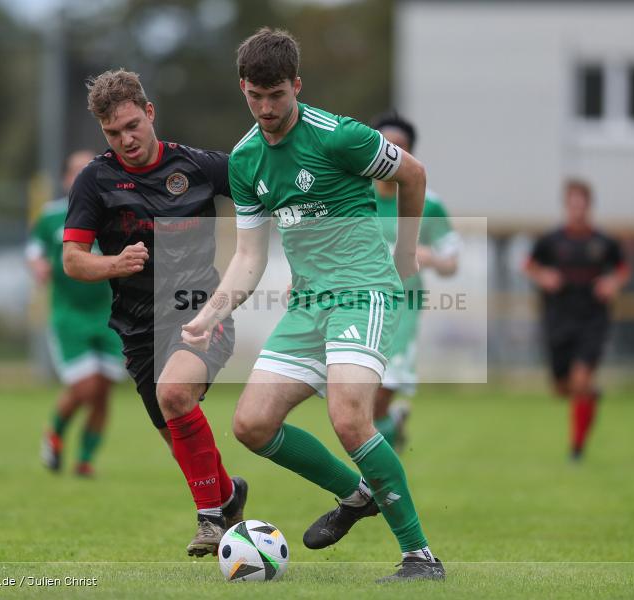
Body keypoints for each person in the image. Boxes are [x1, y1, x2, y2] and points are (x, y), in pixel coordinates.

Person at [182, 28, 445, 582]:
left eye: (276, 95)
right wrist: (211, 313)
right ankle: (357, 495)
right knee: (251, 425)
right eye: (255, 96)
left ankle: (420, 557)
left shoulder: (338, 136)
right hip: (307, 304)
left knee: (349, 417)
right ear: (243, 89)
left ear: (296, 85)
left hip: (363, 291)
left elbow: (413, 174)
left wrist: (403, 250)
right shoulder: (246, 160)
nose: (266, 108)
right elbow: (250, 258)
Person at [61, 69, 247, 557]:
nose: (125, 140)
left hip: (199, 311)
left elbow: (263, 184)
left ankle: (210, 521)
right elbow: (72, 259)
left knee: (175, 392)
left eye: (131, 126)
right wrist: (113, 264)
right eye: (112, 133)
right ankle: (228, 497)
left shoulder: (201, 166)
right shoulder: (94, 180)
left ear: (149, 113)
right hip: (138, 328)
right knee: (178, 438)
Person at [29, 150, 126, 477]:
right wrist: (39, 266)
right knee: (86, 388)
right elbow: (34, 252)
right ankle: (54, 432)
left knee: (103, 391)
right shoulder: (51, 216)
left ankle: (85, 460)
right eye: (75, 171)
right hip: (69, 315)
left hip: (110, 314)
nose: (82, 176)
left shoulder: (113, 212)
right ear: (65, 178)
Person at [371, 112, 460, 451]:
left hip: (403, 309)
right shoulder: (353, 194)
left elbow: (451, 262)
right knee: (357, 403)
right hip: (356, 306)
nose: (392, 155)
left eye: (401, 148)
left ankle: (381, 484)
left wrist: (429, 255)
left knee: (380, 393)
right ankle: (390, 430)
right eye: (385, 147)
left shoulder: (429, 203)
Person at [524, 179, 630, 461]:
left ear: (589, 206)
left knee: (581, 379)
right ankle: (589, 396)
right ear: (566, 205)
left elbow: (622, 269)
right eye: (573, 203)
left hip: (593, 319)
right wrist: (543, 276)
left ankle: (577, 449)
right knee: (561, 388)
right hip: (559, 318)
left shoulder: (604, 242)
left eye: (582, 203)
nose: (577, 209)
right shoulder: (551, 241)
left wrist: (612, 283)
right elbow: (529, 265)